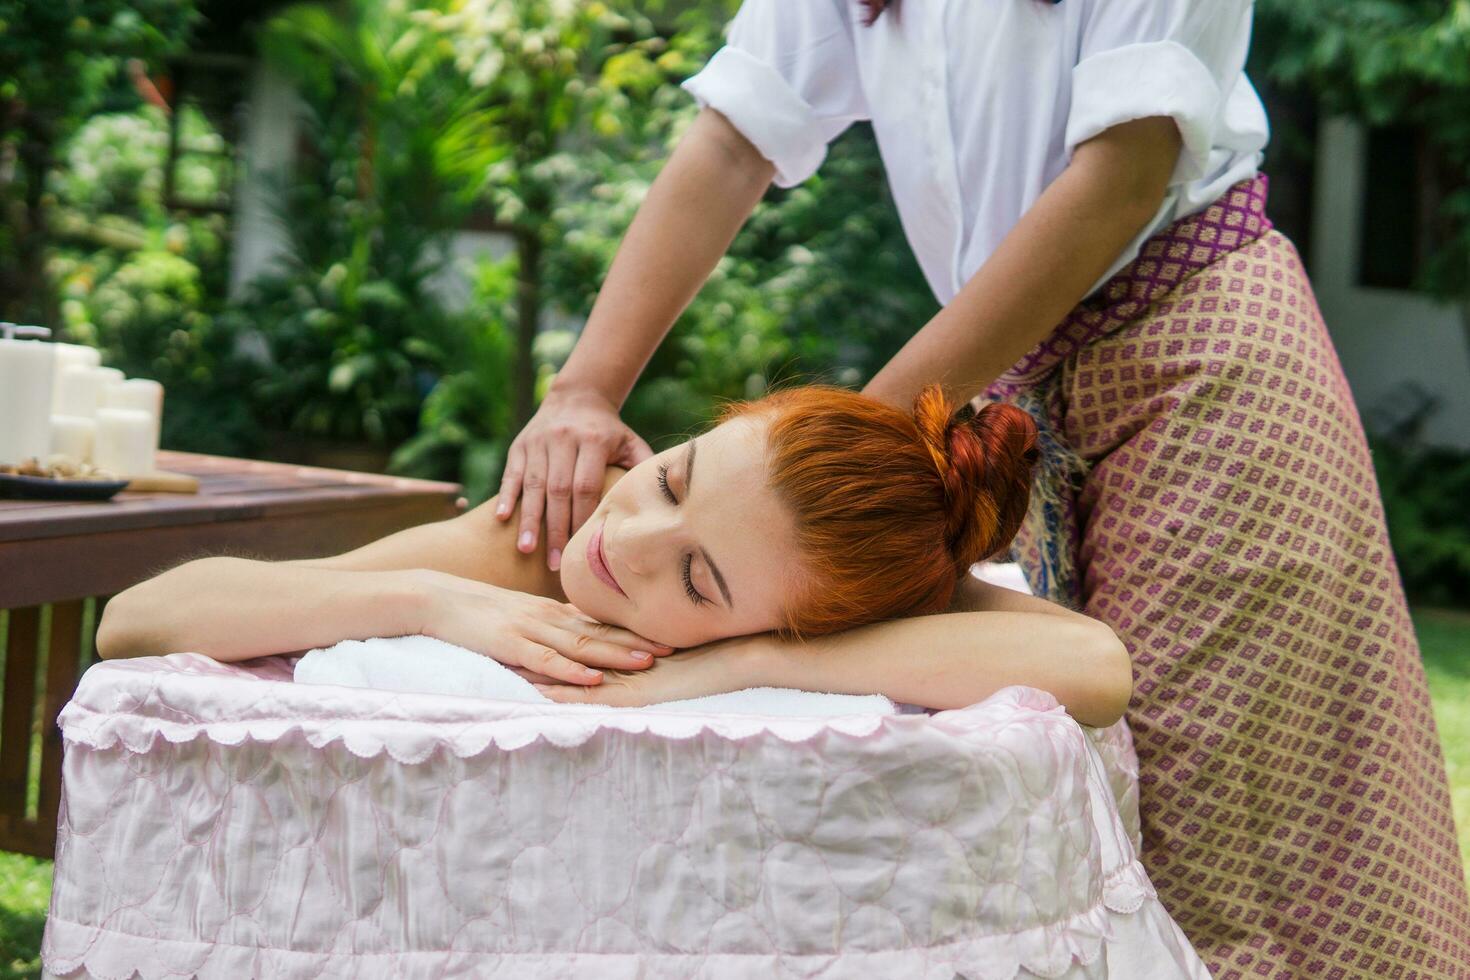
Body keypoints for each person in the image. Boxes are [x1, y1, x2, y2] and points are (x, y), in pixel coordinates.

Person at [492, 0, 1470, 974]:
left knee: (1204, 802)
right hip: (1005, 382)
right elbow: (734, 139)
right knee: (1061, 777)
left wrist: (824, 470)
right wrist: (583, 390)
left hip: (1198, 359)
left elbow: (1122, 179)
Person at [97, 385, 1134, 727]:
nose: (623, 543)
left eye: (697, 579)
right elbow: (139, 616)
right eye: (675, 477)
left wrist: (744, 663)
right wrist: (425, 598)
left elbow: (1098, 668)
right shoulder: (540, 542)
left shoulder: (857, 594)